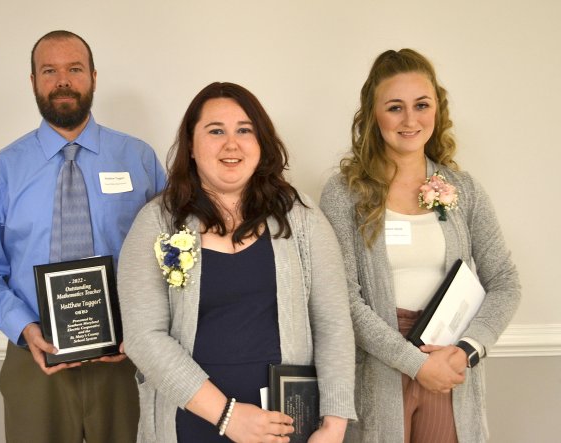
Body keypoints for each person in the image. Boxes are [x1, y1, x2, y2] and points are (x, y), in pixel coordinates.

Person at [118, 82, 356, 443]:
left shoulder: (303, 217)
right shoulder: (156, 222)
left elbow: (333, 323)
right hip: (190, 424)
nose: (232, 144)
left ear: (261, 143)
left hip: (286, 426)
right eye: (216, 131)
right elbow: (143, 337)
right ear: (192, 146)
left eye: (244, 130)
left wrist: (334, 424)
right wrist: (228, 417)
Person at [0, 30, 165, 442]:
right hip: (34, 360)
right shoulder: (2, 171)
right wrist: (25, 328)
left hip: (126, 357)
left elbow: (171, 254)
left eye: (74, 69)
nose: (62, 81)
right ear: (33, 80)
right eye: (49, 70)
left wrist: (146, 325)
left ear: (92, 76)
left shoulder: (138, 158)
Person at [320, 49, 521, 442]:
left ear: (437, 110)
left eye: (421, 105)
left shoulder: (464, 190)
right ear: (372, 114)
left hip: (446, 366)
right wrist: (413, 363)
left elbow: (505, 281)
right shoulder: (343, 194)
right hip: (378, 365)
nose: (410, 120)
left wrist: (465, 350)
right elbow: (342, 299)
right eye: (395, 107)